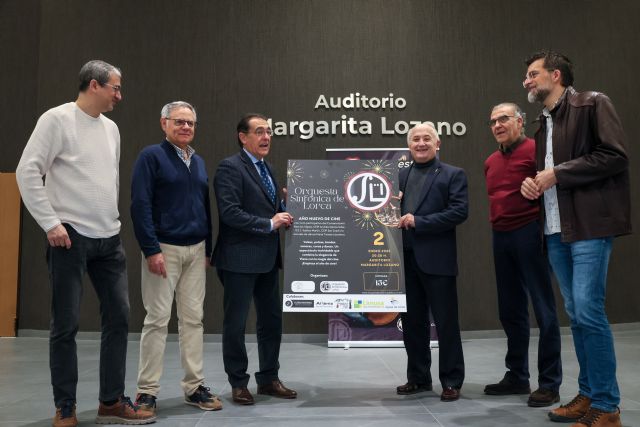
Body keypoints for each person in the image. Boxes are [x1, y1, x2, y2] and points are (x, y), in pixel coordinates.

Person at [15, 60, 155, 426]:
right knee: (66, 324)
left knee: (120, 318)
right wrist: (50, 223)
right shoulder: (56, 119)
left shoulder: (111, 129)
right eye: (115, 88)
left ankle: (110, 400)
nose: (119, 96)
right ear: (94, 85)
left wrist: (113, 224)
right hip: (69, 238)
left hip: (108, 239)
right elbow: (27, 170)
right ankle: (65, 406)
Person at [521, 51, 631, 427]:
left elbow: (614, 156)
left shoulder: (592, 103)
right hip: (555, 229)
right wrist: (533, 183)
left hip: (588, 227)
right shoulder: (543, 123)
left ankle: (607, 406)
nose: (527, 81)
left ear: (556, 75)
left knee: (588, 311)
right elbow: (551, 176)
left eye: (533, 74)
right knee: (578, 316)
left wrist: (557, 174)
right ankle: (587, 395)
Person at [130, 101, 221, 415]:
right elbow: (139, 205)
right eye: (179, 122)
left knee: (193, 321)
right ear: (164, 123)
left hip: (196, 251)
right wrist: (150, 249)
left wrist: (207, 249)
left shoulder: (198, 161)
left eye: (191, 123)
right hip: (163, 249)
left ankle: (194, 387)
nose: (186, 128)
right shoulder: (150, 157)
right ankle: (146, 393)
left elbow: (203, 207)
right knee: (156, 321)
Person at [212, 113, 296, 405]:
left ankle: (269, 379)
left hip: (268, 259)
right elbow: (230, 212)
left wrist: (287, 206)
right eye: (259, 131)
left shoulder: (268, 168)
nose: (266, 137)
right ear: (242, 137)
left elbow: (269, 206)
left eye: (269, 131)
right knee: (236, 324)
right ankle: (238, 383)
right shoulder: (229, 167)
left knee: (271, 322)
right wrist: (269, 223)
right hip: (239, 259)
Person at [483, 102, 562, 407]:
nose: (497, 125)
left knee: (544, 310)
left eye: (503, 119)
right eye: (492, 121)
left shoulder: (537, 150)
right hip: (500, 237)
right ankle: (517, 376)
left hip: (531, 233)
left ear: (519, 121)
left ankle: (549, 383)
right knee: (510, 310)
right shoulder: (490, 161)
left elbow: (553, 186)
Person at [396, 122, 467, 402]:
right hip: (404, 260)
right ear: (409, 146)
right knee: (412, 325)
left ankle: (451, 380)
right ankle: (418, 378)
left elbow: (459, 212)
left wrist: (419, 221)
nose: (421, 143)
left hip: (437, 261)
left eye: (427, 138)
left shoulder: (453, 174)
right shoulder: (399, 176)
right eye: (416, 139)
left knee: (446, 323)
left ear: (438, 144)